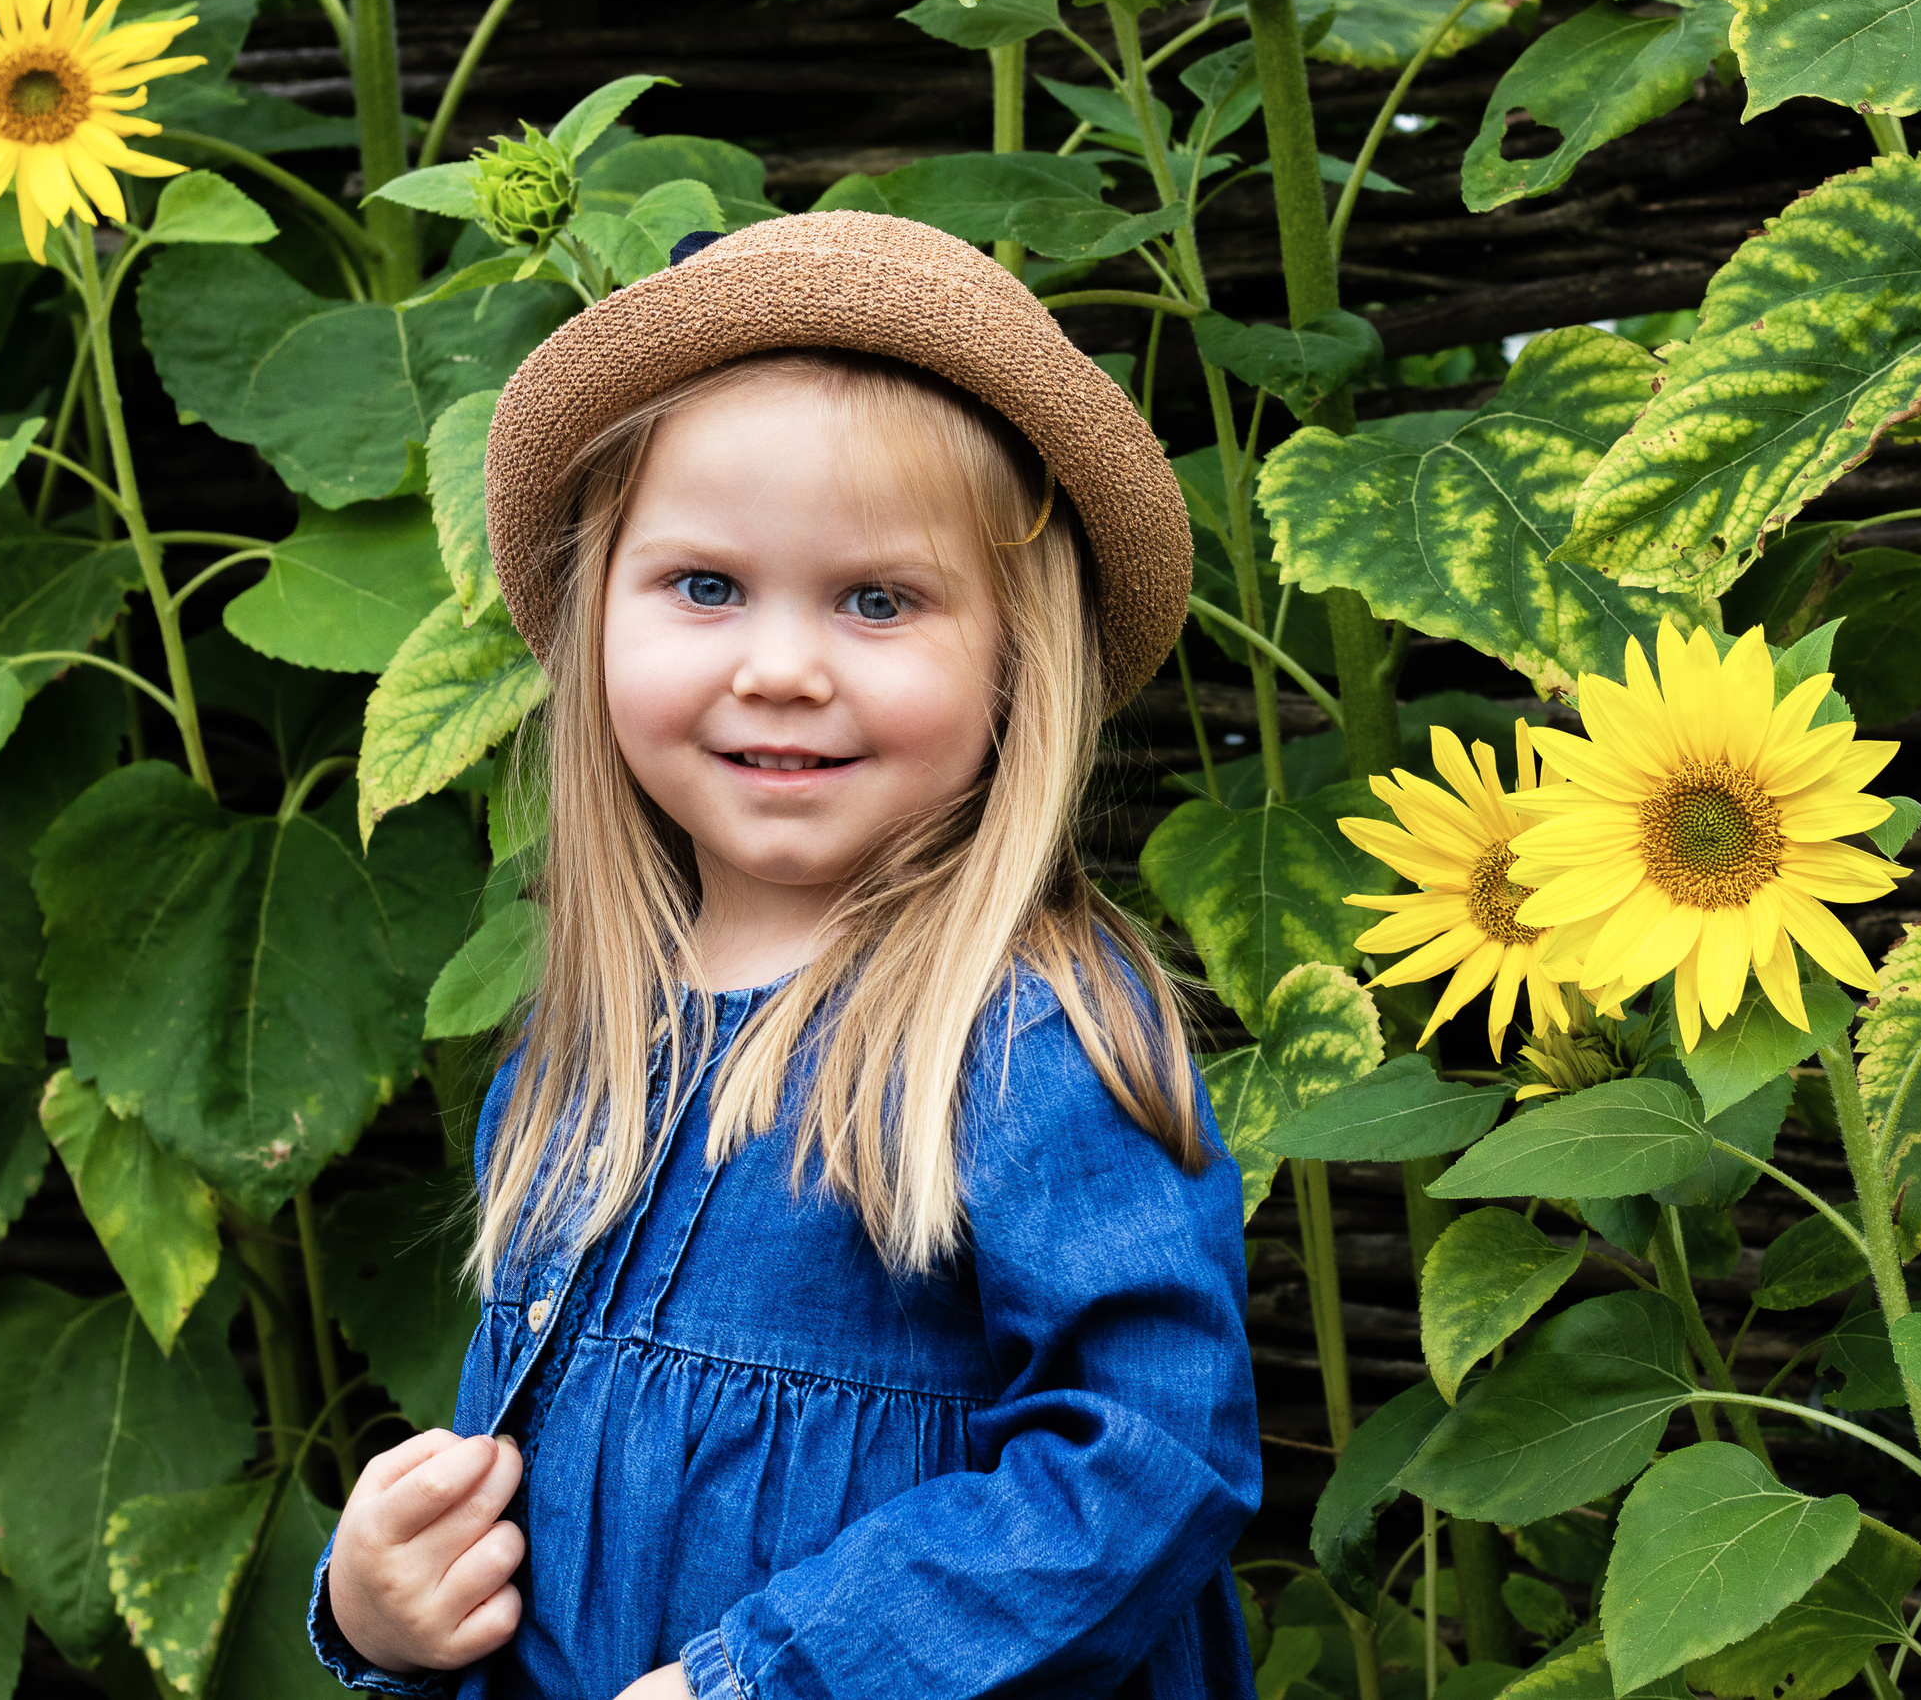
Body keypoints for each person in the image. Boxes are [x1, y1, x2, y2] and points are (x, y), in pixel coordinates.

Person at [304, 211, 1264, 1700]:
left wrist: (770, 1678)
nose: (781, 666)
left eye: (879, 600)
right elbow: (544, 1503)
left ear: (1021, 657)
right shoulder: (585, 1056)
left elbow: (1143, 1461)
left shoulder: (1021, 1040)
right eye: (704, 586)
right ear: (590, 614)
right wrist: (386, 1609)